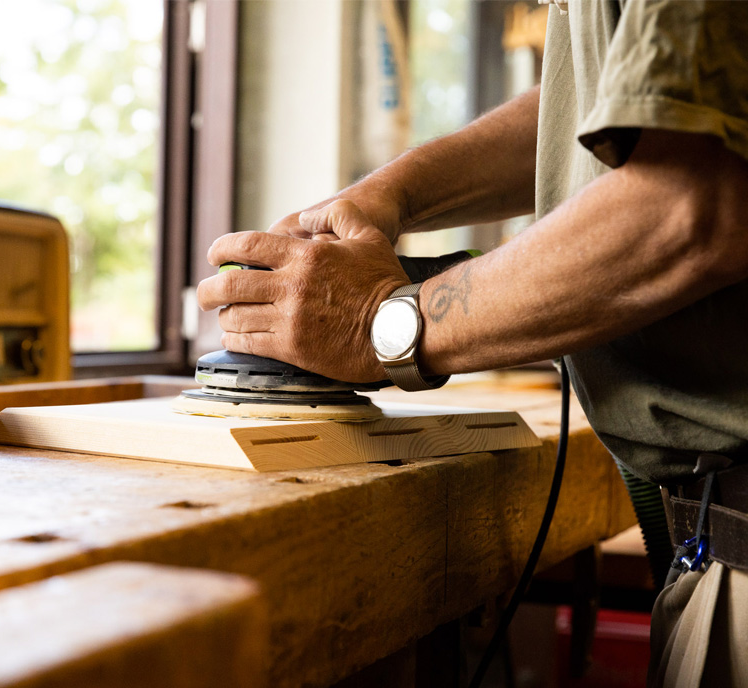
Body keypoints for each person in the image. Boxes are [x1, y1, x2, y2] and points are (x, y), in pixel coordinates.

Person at [197, 2, 748, 684]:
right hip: (714, 533)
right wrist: (388, 195)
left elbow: (690, 205)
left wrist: (384, 319)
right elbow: (606, 100)